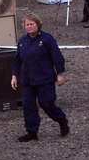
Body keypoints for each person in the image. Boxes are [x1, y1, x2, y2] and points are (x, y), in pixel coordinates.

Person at [11, 13, 69, 142]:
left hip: (44, 78)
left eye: (32, 24)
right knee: (28, 105)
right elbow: (17, 60)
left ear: (38, 24)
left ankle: (61, 119)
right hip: (28, 79)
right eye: (27, 24)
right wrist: (14, 75)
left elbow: (57, 56)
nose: (29, 27)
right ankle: (31, 131)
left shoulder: (47, 39)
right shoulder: (22, 41)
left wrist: (60, 74)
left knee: (47, 103)